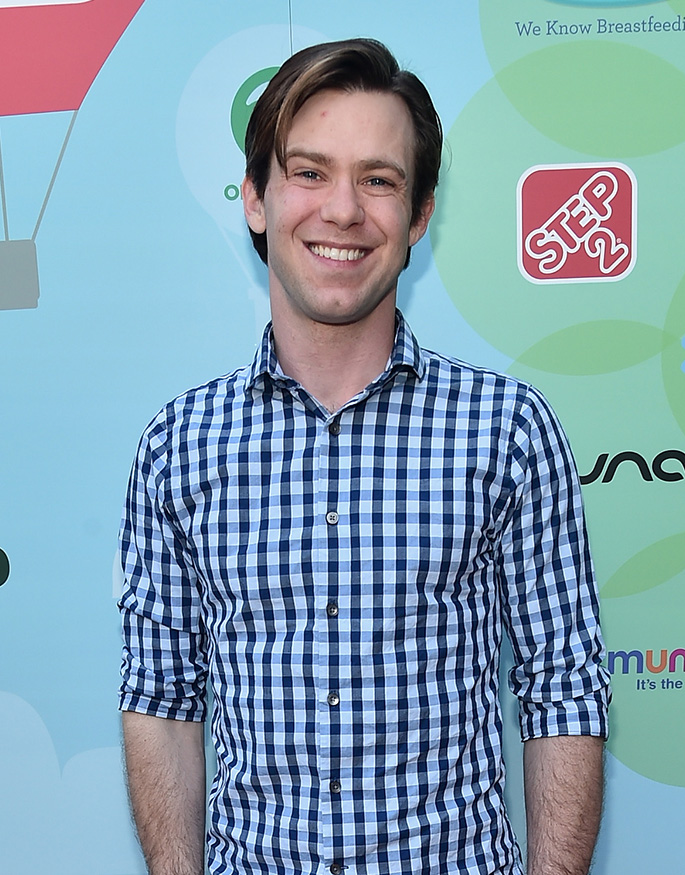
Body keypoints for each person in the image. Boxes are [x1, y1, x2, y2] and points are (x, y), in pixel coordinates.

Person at [118, 38, 610, 875]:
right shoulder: (178, 446)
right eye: (309, 172)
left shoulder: (508, 429)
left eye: (378, 180)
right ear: (255, 200)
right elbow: (162, 703)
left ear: (418, 216)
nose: (342, 210)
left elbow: (563, 687)